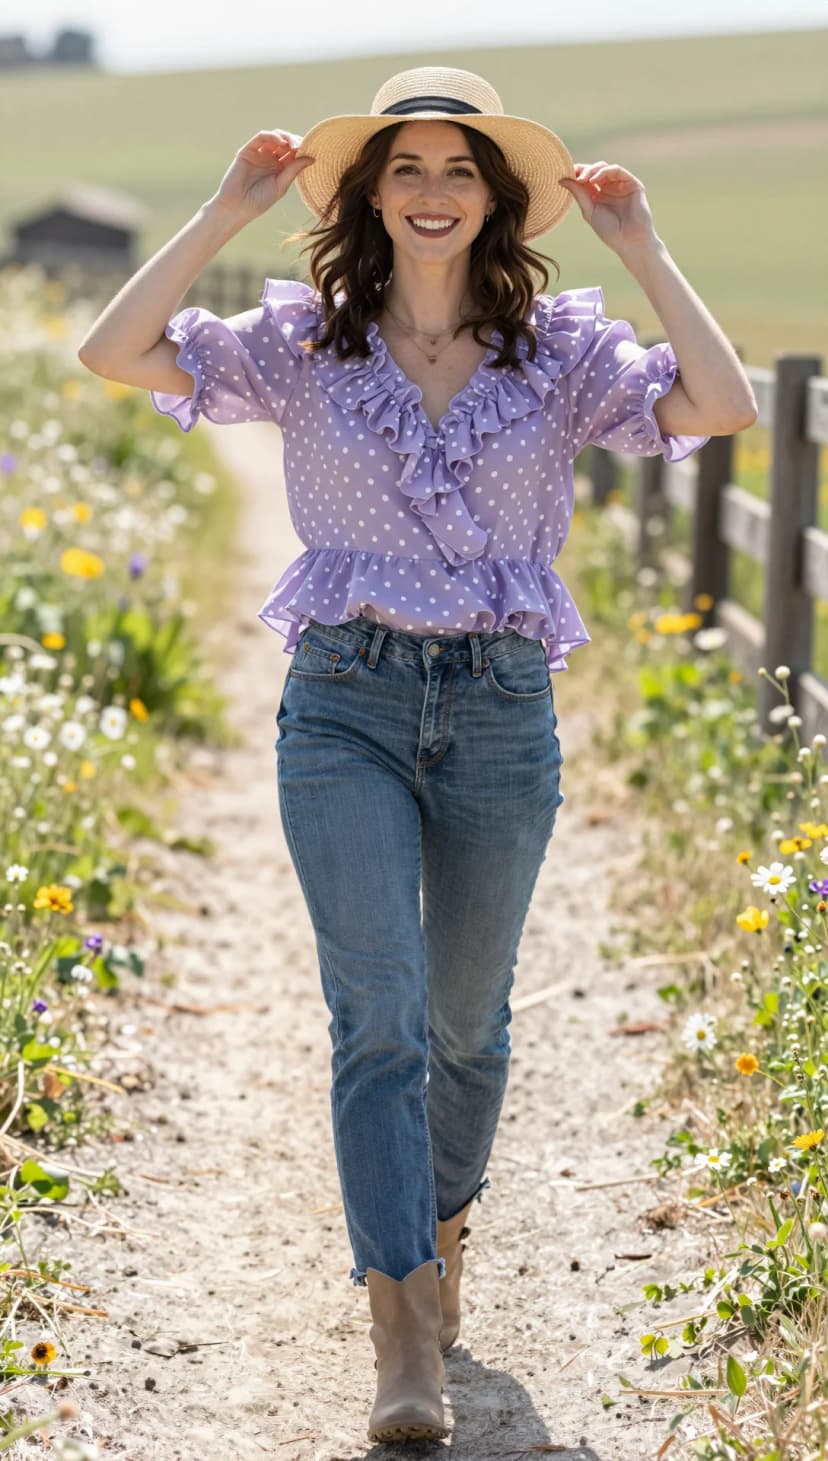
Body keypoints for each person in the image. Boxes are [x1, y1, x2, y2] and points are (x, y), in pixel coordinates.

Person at [77, 64, 757, 1446]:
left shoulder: (559, 359)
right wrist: (224, 207)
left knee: (466, 1021)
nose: (433, 192)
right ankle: (398, 1324)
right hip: (345, 704)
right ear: (369, 197)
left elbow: (723, 404)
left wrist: (645, 247)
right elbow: (112, 348)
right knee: (377, 1014)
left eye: (459, 170)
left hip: (503, 707)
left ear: (495, 199)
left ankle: (439, 1234)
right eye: (406, 169)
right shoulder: (305, 348)